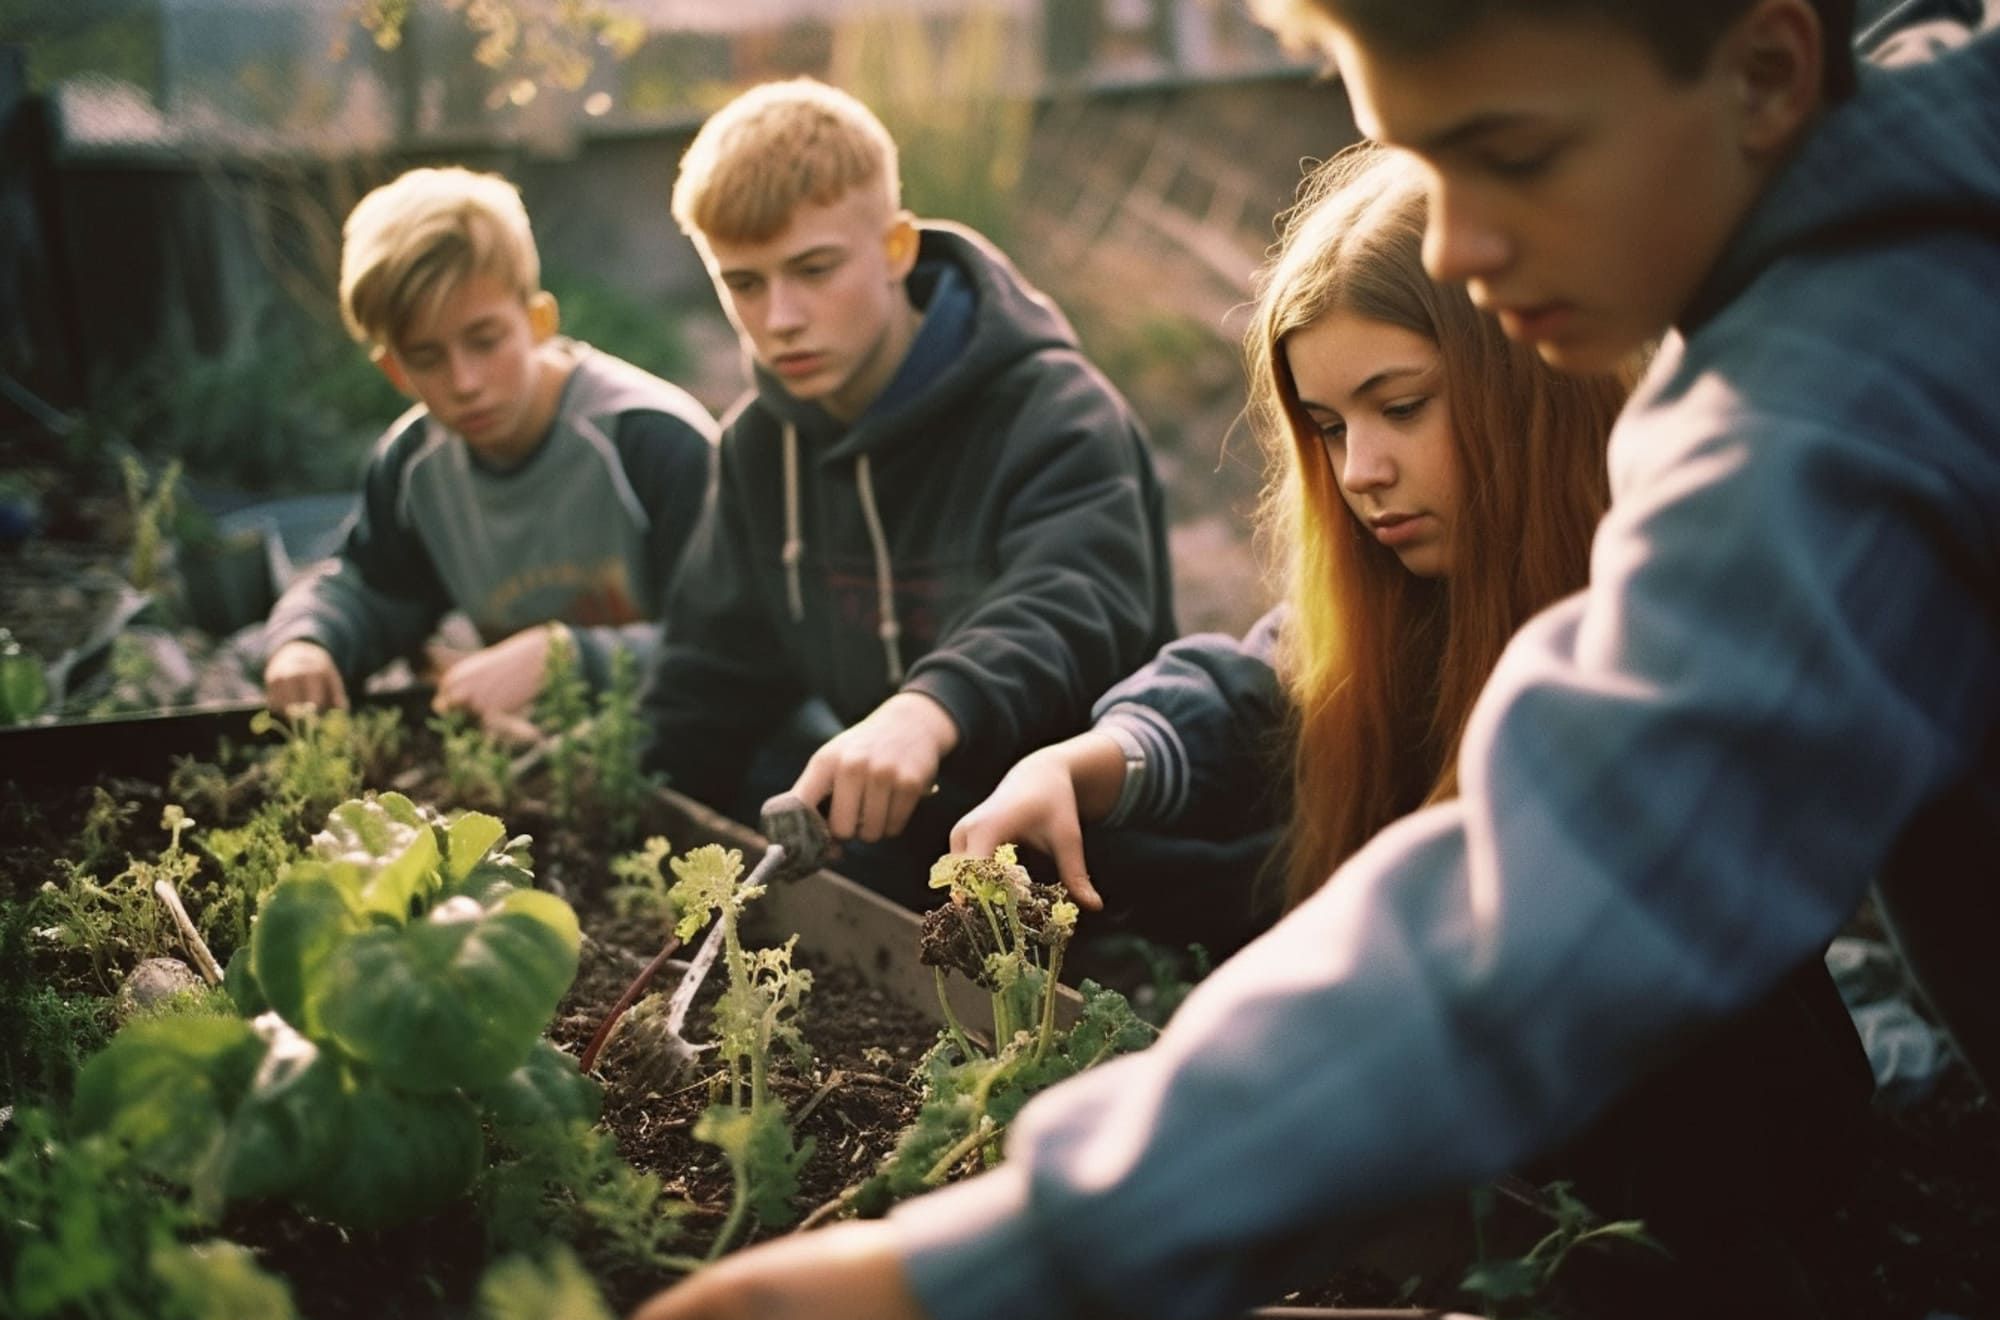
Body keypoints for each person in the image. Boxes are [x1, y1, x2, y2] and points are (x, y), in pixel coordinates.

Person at [626, 2, 2000, 1320]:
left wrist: (982, 1265)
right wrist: (1105, 754)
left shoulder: (1853, 374)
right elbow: (1273, 664)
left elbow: (1573, 883)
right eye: (1425, 165)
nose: (1459, 240)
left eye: (1507, 155)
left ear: (1767, 70)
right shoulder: (1857, 251)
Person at [949, 145, 1622, 956]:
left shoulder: (1644, 629)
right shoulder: (1399, 596)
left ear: (1527, 389)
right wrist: (1078, 763)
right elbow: (1259, 688)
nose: (1360, 473)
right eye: (1330, 429)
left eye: (1403, 407)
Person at [638, 78, 1175, 901]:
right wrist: (629, 840)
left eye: (814, 269)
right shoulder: (758, 446)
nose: (780, 316)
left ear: (896, 248)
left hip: (1098, 874)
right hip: (899, 877)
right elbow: (707, 681)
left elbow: (1074, 603)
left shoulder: (1055, 411)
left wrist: (928, 707)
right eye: (743, 283)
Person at [263, 166, 717, 732]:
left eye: (485, 340)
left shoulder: (653, 442)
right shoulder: (412, 466)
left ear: (538, 322)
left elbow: (731, 648)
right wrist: (307, 641)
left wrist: (562, 658)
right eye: (427, 357)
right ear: (394, 370)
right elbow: (370, 592)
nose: (465, 381)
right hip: (542, 761)